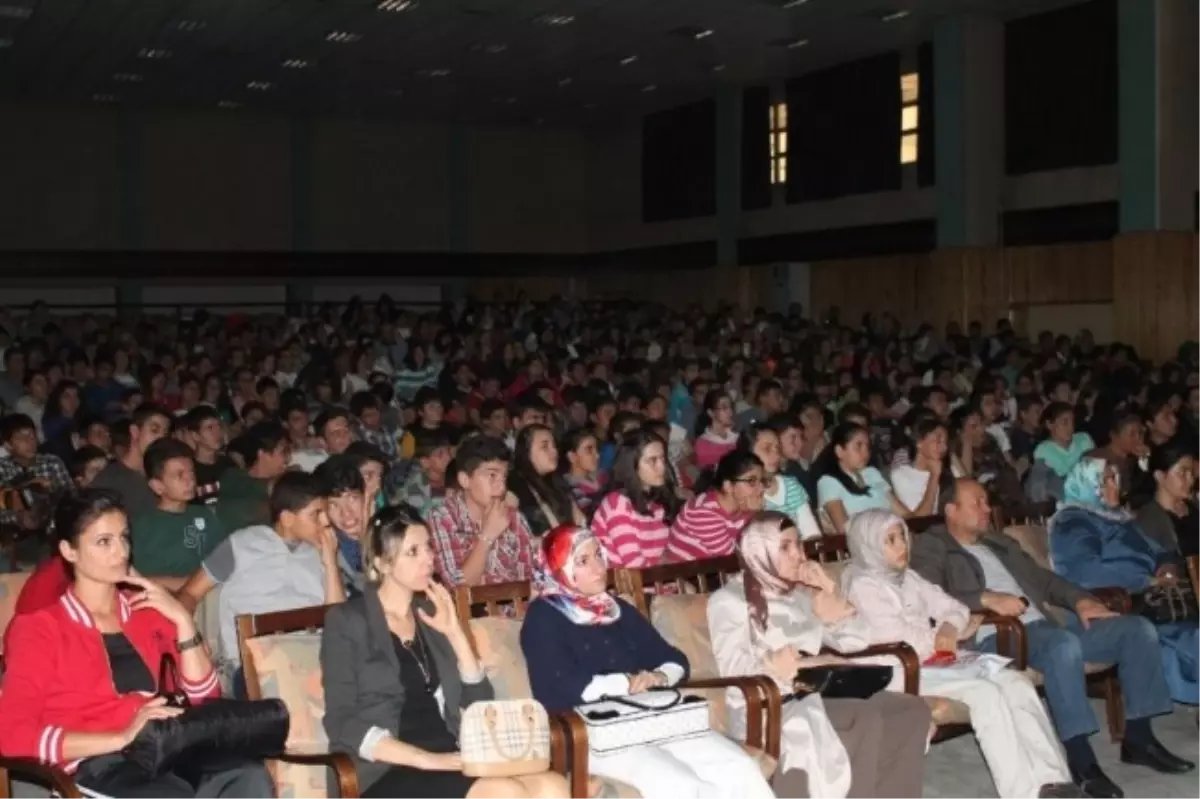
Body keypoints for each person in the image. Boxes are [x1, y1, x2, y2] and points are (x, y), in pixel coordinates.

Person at [911, 478, 1188, 799]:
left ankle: (1139, 738)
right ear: (951, 511)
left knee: (1137, 630)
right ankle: (1081, 761)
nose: (988, 508)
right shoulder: (932, 545)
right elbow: (927, 590)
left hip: (1045, 626)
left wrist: (1080, 599)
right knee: (1062, 646)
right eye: (978, 503)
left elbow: (1043, 580)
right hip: (996, 635)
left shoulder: (999, 543)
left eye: (987, 501)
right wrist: (984, 598)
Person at [0, 489, 270, 798]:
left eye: (124, 537)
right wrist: (120, 737)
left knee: (247, 775)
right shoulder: (40, 628)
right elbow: (11, 736)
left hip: (164, 747)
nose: (121, 552)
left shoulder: (146, 612)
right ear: (68, 550)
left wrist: (181, 619)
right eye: (104, 542)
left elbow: (203, 698)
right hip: (97, 764)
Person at [321, 503, 568, 799]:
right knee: (504, 792)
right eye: (413, 552)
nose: (428, 559)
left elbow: (480, 703)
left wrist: (454, 633)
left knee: (552, 786)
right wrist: (425, 759)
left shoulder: (430, 613)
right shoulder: (347, 621)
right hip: (385, 770)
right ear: (382, 563)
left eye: (428, 548)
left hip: (449, 756)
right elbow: (341, 720)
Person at [521, 524, 774, 799]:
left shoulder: (616, 609)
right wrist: (626, 683)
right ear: (559, 569)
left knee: (738, 766)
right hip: (590, 734)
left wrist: (660, 677)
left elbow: (673, 659)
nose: (598, 567)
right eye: (582, 561)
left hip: (649, 718)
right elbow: (560, 686)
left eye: (598, 555)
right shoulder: (543, 618)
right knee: (680, 784)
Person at [842, 510, 1077, 799]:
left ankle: (1056, 782)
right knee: (986, 695)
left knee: (1016, 682)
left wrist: (951, 628)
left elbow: (956, 608)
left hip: (934, 661)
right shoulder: (862, 585)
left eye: (902, 535)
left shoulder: (908, 577)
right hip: (900, 671)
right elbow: (898, 639)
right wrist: (943, 636)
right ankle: (1023, 793)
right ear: (869, 547)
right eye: (890, 540)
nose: (902, 545)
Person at [707, 512, 930, 799]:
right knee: (862, 716)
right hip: (773, 705)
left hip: (823, 693)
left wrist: (830, 590)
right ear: (758, 552)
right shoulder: (729, 601)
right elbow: (733, 668)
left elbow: (857, 642)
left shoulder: (799, 595)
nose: (799, 555)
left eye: (799, 544)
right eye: (785, 547)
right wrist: (778, 663)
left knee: (911, 710)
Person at [1050, 457, 1200, 706]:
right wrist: (1147, 580)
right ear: (1088, 483)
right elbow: (1084, 572)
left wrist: (1165, 567)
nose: (1116, 485)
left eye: (1116, 478)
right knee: (1188, 640)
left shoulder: (1120, 518)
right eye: (1108, 478)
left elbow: (1159, 549)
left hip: (1152, 597)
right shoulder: (1073, 521)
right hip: (1118, 602)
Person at [178, 471, 347, 691]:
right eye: (316, 515)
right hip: (256, 665)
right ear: (287, 518)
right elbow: (189, 594)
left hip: (314, 661)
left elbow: (339, 622)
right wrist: (193, 638)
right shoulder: (242, 545)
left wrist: (330, 563)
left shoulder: (324, 554)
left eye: (326, 514)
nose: (326, 523)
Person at [425, 434, 537, 587]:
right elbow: (457, 587)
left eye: (504, 477)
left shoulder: (515, 518)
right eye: (492, 475)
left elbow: (530, 582)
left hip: (515, 609)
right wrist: (487, 536)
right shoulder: (443, 518)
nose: (501, 487)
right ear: (465, 480)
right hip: (468, 611)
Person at [130, 438, 226, 587]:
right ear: (157, 486)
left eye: (191, 473)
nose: (190, 480)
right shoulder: (142, 526)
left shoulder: (204, 515)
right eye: (180, 475)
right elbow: (142, 581)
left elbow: (225, 561)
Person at [589, 428, 682, 568]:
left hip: (655, 582)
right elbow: (634, 565)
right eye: (652, 460)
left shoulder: (657, 503)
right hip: (625, 586)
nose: (662, 467)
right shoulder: (617, 504)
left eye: (663, 458)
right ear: (631, 465)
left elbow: (663, 556)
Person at [664, 450, 765, 562]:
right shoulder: (703, 513)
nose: (761, 489)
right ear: (728, 486)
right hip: (682, 576)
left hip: (710, 574)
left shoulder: (743, 509)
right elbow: (732, 559)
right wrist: (756, 515)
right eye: (751, 481)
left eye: (761, 481)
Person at [815, 423, 912, 534]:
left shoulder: (872, 473)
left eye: (867, 446)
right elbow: (844, 529)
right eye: (858, 446)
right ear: (840, 451)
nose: (865, 452)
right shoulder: (828, 482)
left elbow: (903, 513)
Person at [740, 424, 822, 540]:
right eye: (767, 449)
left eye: (777, 448)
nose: (776, 455)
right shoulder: (745, 493)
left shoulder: (791, 485)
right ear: (748, 453)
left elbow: (811, 533)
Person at [91, 403, 172, 518]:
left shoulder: (167, 476)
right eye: (154, 430)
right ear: (135, 432)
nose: (161, 439)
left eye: (165, 434)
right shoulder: (109, 481)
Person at [507, 424, 585, 537]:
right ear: (526, 452)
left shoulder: (558, 482)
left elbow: (580, 522)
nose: (554, 451)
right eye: (544, 447)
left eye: (554, 446)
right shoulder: (515, 486)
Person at [1136, 442, 1200, 557]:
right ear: (1160, 476)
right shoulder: (1149, 520)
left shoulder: (1194, 505)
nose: (1190, 479)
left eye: (1191, 473)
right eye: (1182, 472)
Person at [887, 414, 949, 515]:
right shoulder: (902, 475)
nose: (944, 447)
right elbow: (920, 519)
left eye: (946, 443)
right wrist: (934, 477)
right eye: (938, 440)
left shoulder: (946, 471)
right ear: (919, 442)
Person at [693, 390, 739, 470]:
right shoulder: (703, 443)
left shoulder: (737, 437)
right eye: (724, 408)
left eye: (731, 407)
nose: (730, 412)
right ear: (711, 412)